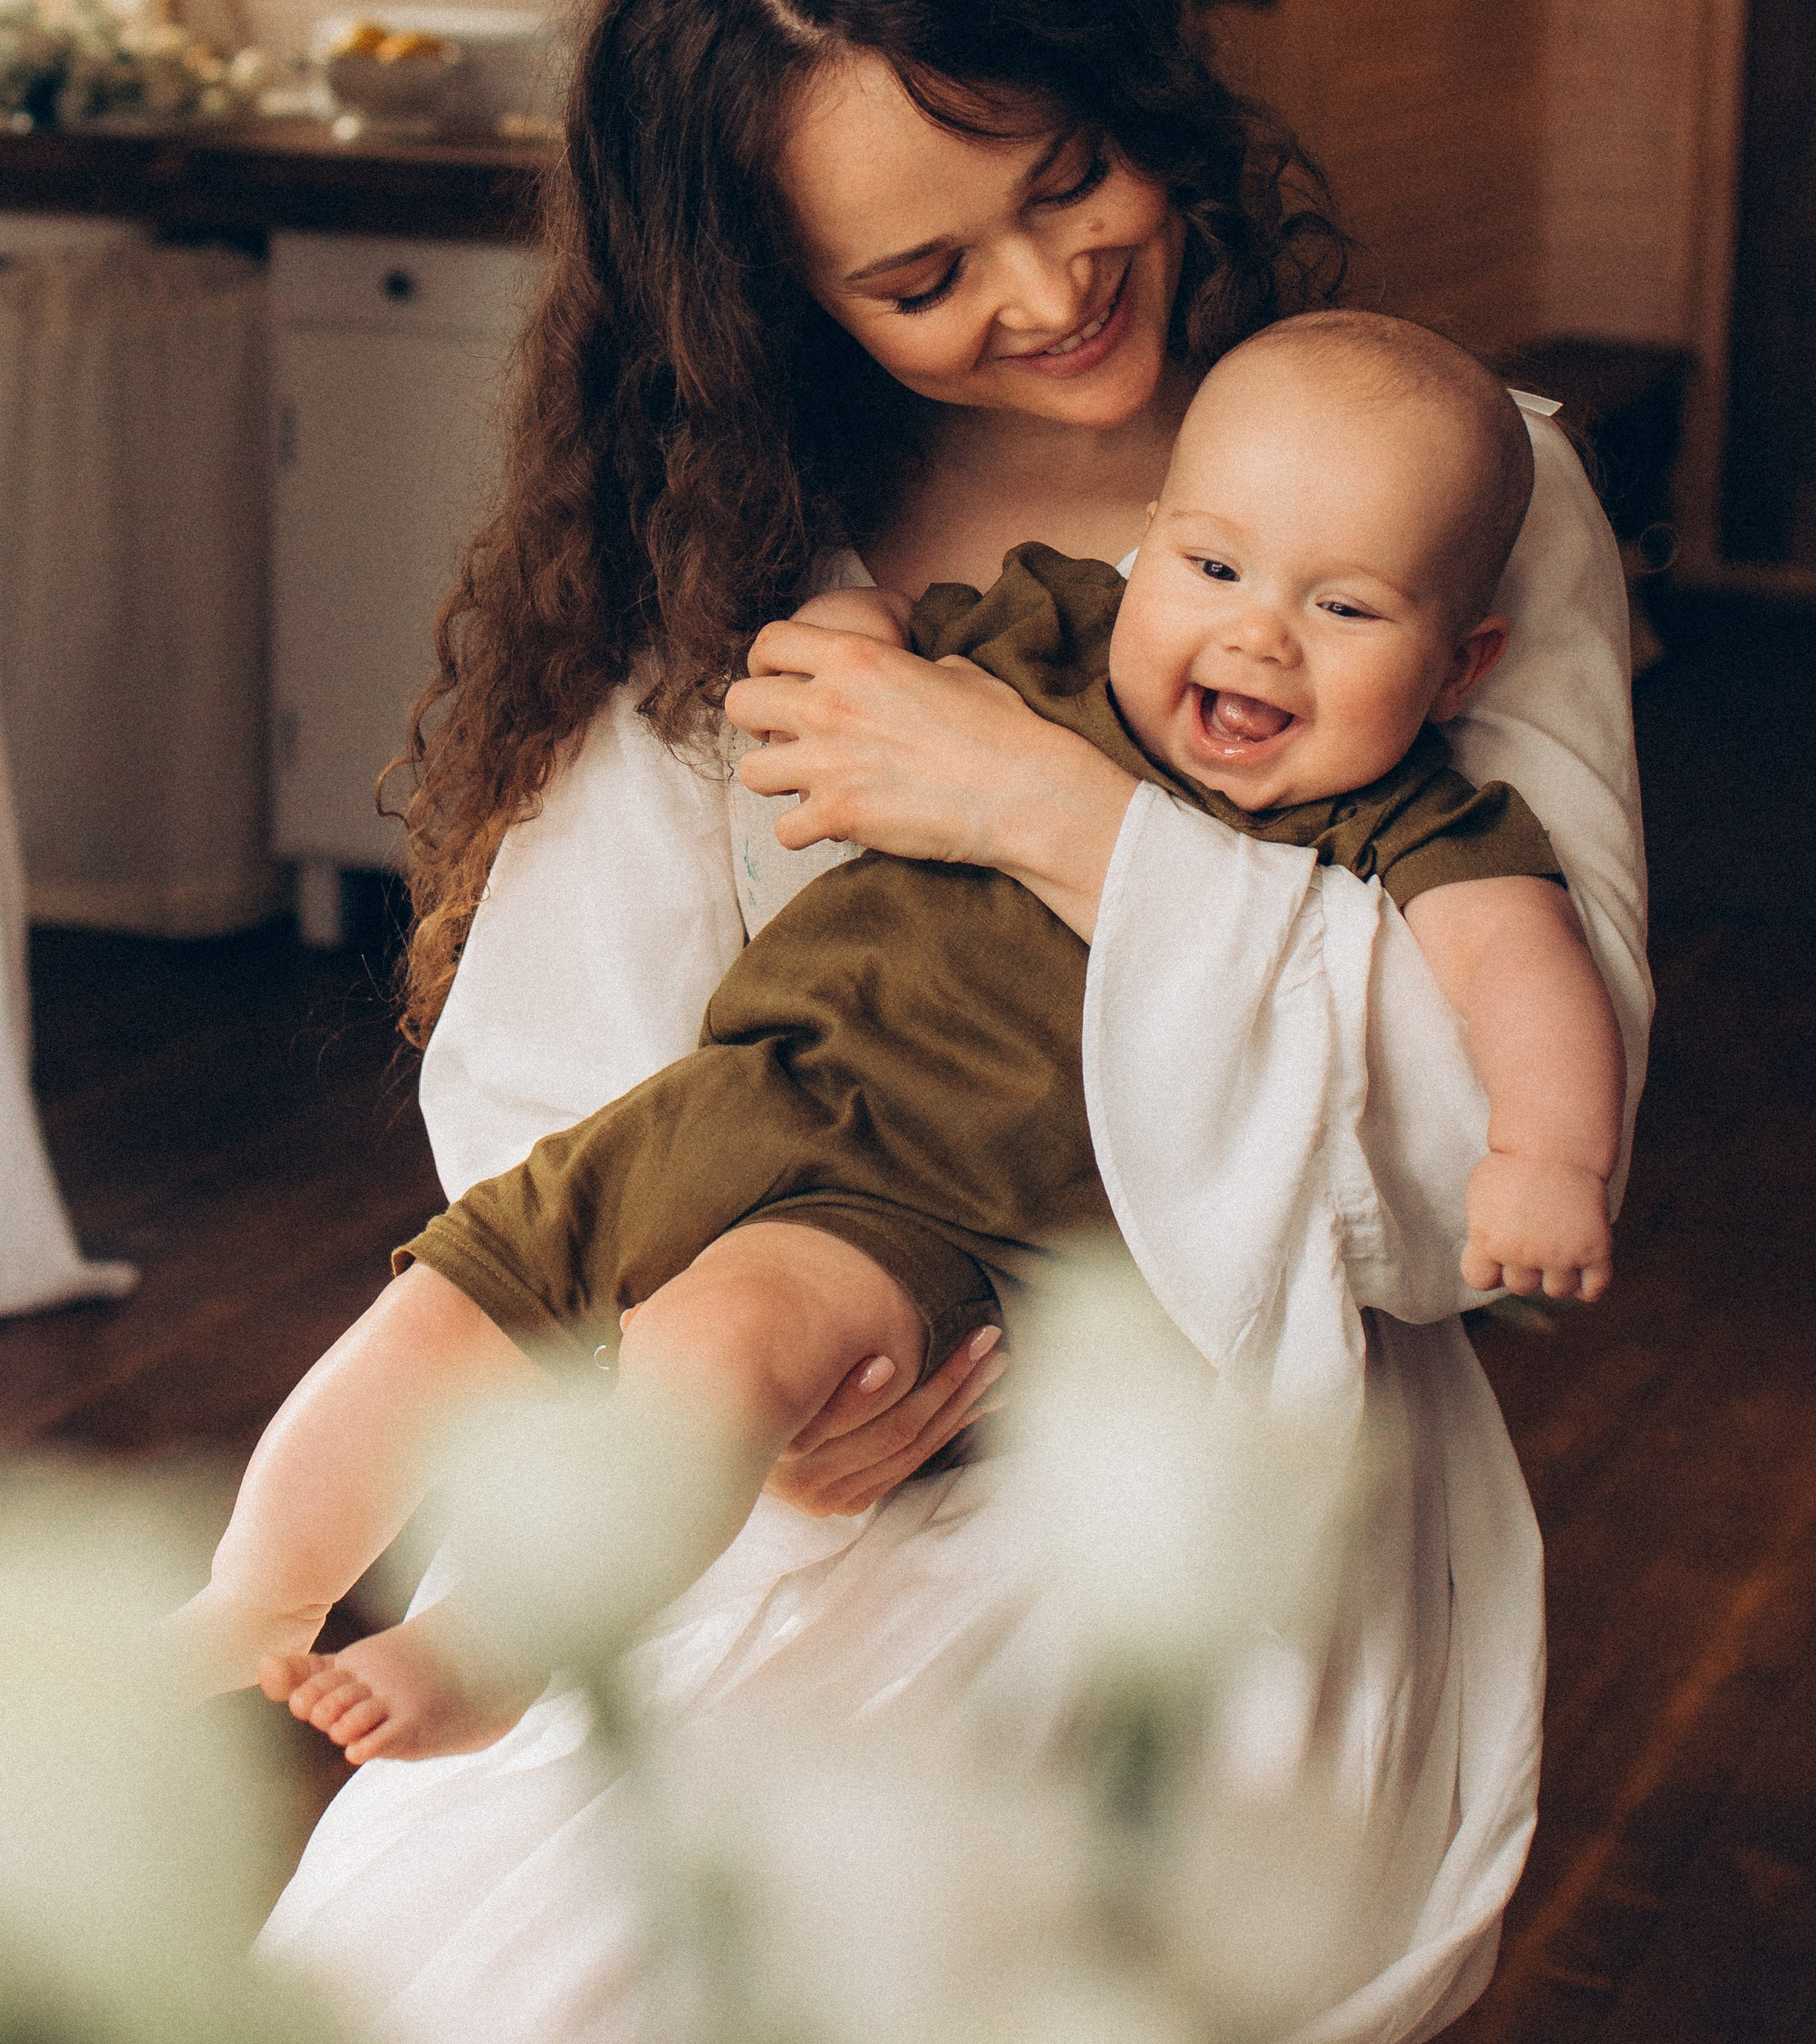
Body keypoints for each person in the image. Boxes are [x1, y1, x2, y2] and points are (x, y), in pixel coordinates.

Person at [258, 0, 1650, 2044]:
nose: (1049, 289)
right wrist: (760, 1399)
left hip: (1197, 1459)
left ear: (1126, 81)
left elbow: (1462, 1180)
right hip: (780, 1436)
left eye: (1066, 175)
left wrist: (1052, 813)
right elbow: (562, 1100)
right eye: (920, 280)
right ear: (778, 300)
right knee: (441, 1971)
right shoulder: (725, 554)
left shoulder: (1451, 497)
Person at [188, 312, 1622, 1771]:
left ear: (1462, 666)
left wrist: (1548, 1157)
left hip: (936, 1216)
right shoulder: (1049, 634)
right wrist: (852, 640)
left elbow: (1526, 966)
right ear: (1150, 544)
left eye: (1348, 610)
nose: (1259, 634)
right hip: (743, 1094)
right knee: (452, 1296)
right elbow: (855, 671)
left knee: (715, 1349)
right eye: (1213, 569)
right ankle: (261, 1591)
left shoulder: (1401, 814)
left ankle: (507, 1640)